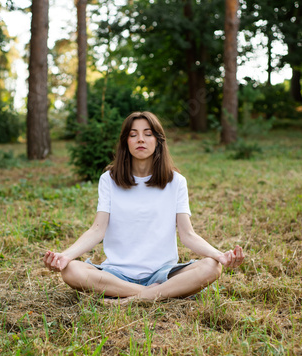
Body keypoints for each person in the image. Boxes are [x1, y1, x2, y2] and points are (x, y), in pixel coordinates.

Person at [43, 111, 245, 303]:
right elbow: (97, 229)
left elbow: (188, 235)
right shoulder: (109, 179)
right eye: (133, 135)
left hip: (163, 272)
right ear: (126, 142)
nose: (140, 139)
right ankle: (153, 294)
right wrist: (66, 256)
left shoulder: (176, 181)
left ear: (158, 141)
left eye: (148, 134)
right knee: (70, 270)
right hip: (116, 274)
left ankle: (129, 300)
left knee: (212, 267)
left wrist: (219, 255)